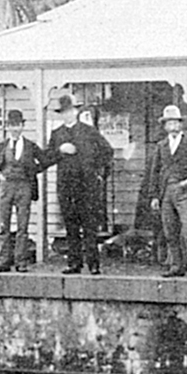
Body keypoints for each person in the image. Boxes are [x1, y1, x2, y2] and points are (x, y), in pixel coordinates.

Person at [46, 94, 113, 275]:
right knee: (71, 225)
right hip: (66, 186)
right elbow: (47, 158)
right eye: (64, 112)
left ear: (76, 111)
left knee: (89, 226)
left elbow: (107, 151)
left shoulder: (89, 131)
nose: (68, 114)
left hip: (87, 186)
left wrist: (98, 173)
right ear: (61, 114)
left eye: (71, 110)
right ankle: (74, 263)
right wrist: (60, 150)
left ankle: (93, 264)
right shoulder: (57, 134)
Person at [148, 105, 187, 279]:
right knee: (170, 231)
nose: (172, 126)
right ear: (165, 126)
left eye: (175, 122)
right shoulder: (161, 146)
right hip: (166, 192)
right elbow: (155, 171)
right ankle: (176, 266)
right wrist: (154, 196)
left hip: (185, 192)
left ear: (181, 124)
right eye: (169, 123)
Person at [0, 110, 46, 273]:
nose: (15, 129)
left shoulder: (30, 146)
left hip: (24, 187)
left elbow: (45, 160)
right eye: (12, 125)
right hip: (5, 188)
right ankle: (2, 261)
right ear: (7, 127)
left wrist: (32, 171)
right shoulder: (0, 147)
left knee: (22, 226)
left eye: (18, 125)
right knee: (3, 225)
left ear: (22, 126)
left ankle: (21, 262)